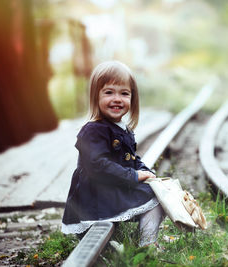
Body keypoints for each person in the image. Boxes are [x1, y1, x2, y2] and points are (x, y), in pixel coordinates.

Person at [61, 60, 165, 247]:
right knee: (154, 199)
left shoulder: (122, 128)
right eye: (109, 92)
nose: (117, 99)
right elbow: (98, 166)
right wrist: (133, 176)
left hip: (111, 187)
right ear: (95, 97)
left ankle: (147, 243)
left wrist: (146, 172)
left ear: (132, 98)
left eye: (124, 93)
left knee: (158, 194)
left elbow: (131, 159)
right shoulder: (93, 130)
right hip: (95, 195)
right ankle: (146, 244)